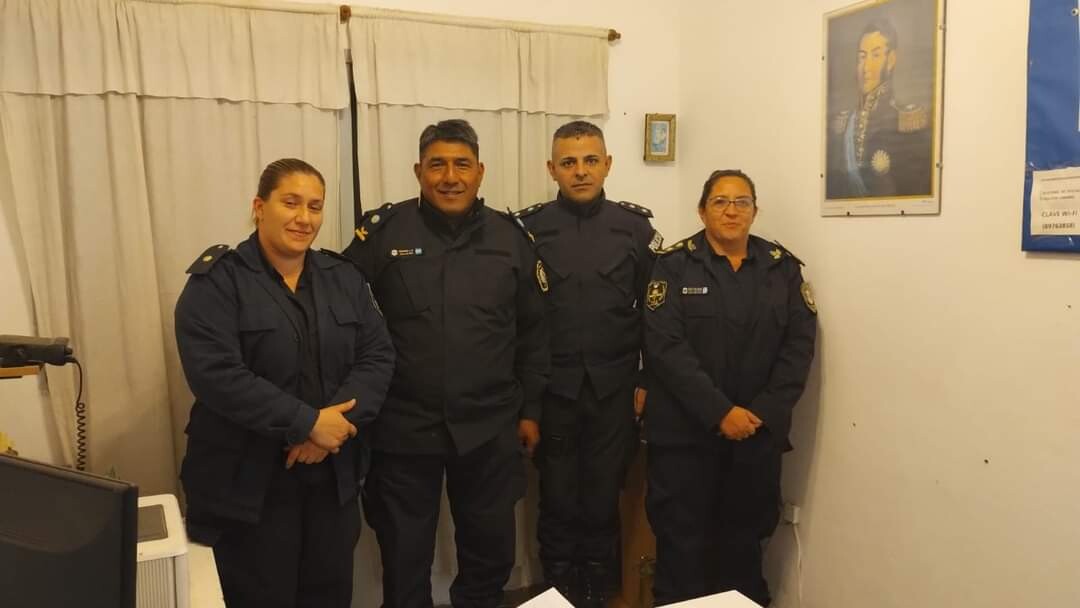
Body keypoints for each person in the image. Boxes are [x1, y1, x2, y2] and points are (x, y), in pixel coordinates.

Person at [342, 119, 549, 608]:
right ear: (418, 171)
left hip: (489, 426)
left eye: (462, 165)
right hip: (402, 426)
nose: (450, 177)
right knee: (404, 555)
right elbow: (341, 318)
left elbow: (536, 332)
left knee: (489, 553)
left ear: (480, 171)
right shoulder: (383, 234)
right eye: (437, 165)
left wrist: (531, 411)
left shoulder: (511, 238)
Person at [175, 158, 395, 608]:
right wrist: (307, 423)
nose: (304, 218)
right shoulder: (217, 282)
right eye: (291, 203)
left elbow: (377, 356)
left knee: (329, 595)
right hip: (247, 488)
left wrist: (331, 431)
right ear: (259, 207)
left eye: (315, 206)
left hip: (332, 479)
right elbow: (217, 375)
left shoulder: (344, 278)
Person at [643, 169, 817, 606]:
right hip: (685, 440)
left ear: (755, 211)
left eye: (742, 202)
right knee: (681, 553)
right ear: (702, 211)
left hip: (754, 440)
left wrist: (760, 414)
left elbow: (798, 349)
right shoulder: (673, 266)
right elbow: (666, 350)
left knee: (743, 552)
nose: (731, 211)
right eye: (720, 202)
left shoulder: (782, 269)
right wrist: (720, 412)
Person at [515, 120, 660, 606]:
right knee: (556, 503)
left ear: (608, 164)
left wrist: (646, 379)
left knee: (601, 502)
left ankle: (598, 597)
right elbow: (518, 317)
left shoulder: (635, 229)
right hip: (552, 393)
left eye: (591, 160)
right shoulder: (528, 229)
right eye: (569, 162)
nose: (580, 171)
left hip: (613, 393)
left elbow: (656, 312)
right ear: (551, 168)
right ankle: (557, 595)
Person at [826, 18, 932, 199]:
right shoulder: (843, 124)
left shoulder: (907, 120)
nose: (866, 67)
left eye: (875, 56)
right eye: (862, 57)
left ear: (891, 60)